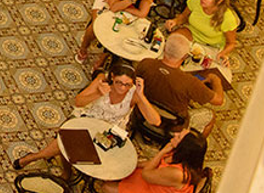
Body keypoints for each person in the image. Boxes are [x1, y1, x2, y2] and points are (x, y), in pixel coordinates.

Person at [12, 61, 160, 172]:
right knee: (64, 144)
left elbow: (155, 121)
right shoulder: (101, 80)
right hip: (88, 118)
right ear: (112, 77)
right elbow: (78, 101)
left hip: (110, 129)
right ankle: (35, 157)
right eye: (119, 83)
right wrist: (98, 94)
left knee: (105, 162)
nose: (122, 88)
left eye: (127, 84)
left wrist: (141, 96)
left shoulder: (133, 93)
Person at [100, 130, 206, 193]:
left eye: (179, 137)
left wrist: (163, 151)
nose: (175, 134)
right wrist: (131, 165)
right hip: (156, 186)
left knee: (106, 188)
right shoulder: (181, 155)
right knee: (118, 173)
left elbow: (146, 175)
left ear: (185, 148)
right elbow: (153, 164)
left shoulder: (177, 173)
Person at [137, 33, 225, 136]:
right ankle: (187, 146)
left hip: (143, 112)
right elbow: (218, 100)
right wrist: (216, 79)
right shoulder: (190, 83)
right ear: (185, 56)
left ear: (164, 48)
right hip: (174, 126)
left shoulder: (146, 64)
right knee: (211, 115)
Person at [75, 0, 157, 61]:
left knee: (120, 34)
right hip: (106, 1)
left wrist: (121, 5)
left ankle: (103, 58)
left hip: (124, 9)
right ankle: (83, 48)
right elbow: (113, 8)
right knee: (95, 27)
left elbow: (142, 13)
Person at [165, 0, 239, 62]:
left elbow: (231, 43)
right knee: (173, 46)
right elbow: (183, 16)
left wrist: (222, 53)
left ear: (219, 1)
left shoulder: (228, 18)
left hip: (212, 45)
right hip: (192, 32)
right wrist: (175, 21)